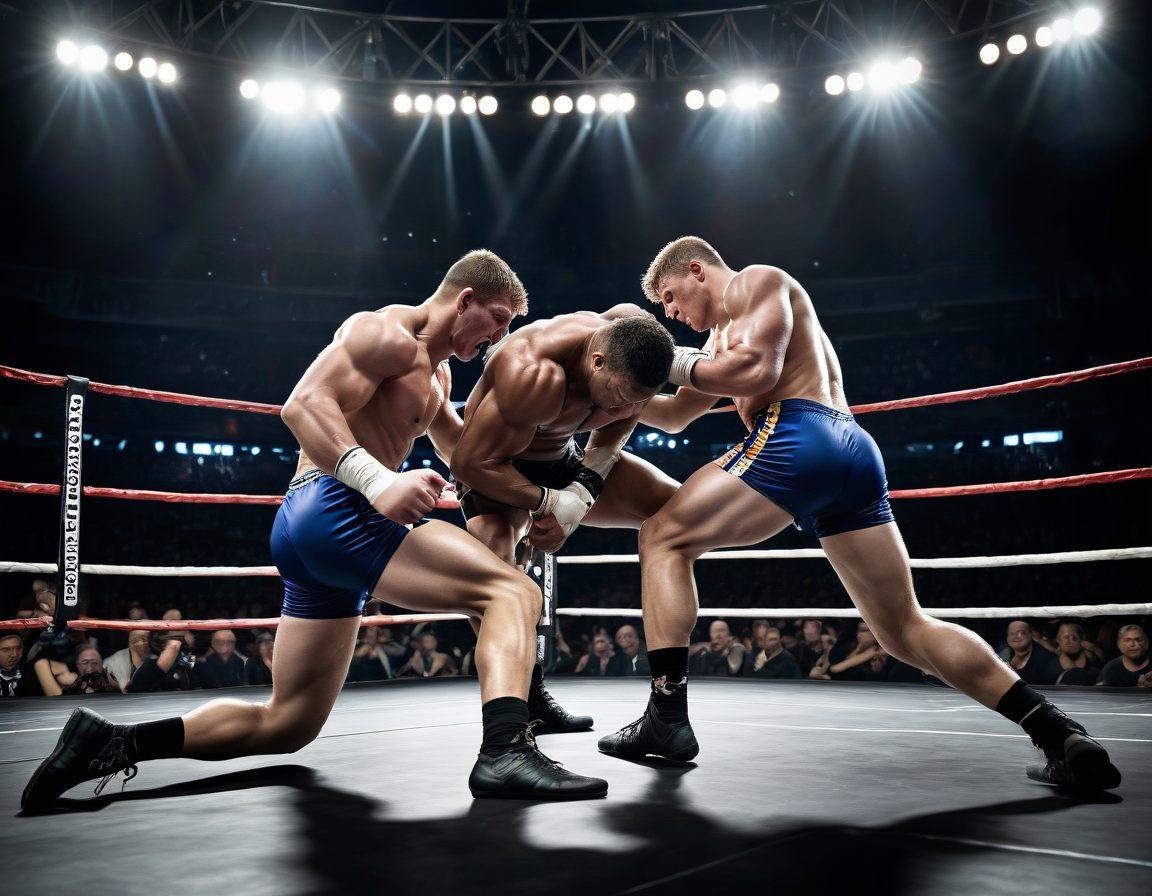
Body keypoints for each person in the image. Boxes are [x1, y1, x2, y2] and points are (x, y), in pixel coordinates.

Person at [22, 250, 607, 809]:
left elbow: (465, 456)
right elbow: (301, 405)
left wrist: (541, 498)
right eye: (498, 319)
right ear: (466, 299)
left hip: (320, 538)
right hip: (335, 508)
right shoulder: (384, 334)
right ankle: (506, 749)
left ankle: (110, 743)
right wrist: (379, 482)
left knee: (290, 721)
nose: (498, 337)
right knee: (514, 592)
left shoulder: (438, 378)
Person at [597, 236, 1120, 791]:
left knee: (662, 537)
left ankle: (666, 718)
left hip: (801, 433)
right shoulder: (723, 339)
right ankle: (1056, 731)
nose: (671, 314)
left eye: (671, 298)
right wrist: (617, 386)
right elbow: (677, 416)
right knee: (901, 629)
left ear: (696, 270)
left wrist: (672, 361)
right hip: (848, 455)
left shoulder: (756, 282)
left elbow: (752, 371)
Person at [449, 307, 677, 731]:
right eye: (621, 395)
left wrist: (582, 491)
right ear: (596, 362)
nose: (628, 407)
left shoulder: (630, 336)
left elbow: (622, 416)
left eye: (639, 400)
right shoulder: (533, 373)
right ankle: (524, 700)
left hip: (562, 459)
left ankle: (669, 710)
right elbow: (468, 462)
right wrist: (548, 503)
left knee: (681, 513)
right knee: (497, 571)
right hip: (495, 468)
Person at [1001, 620, 1059, 686]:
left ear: (1032, 635)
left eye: (1021, 633)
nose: (1016, 637)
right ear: (1007, 638)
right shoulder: (1003, 656)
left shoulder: (1046, 659)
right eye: (1011, 633)